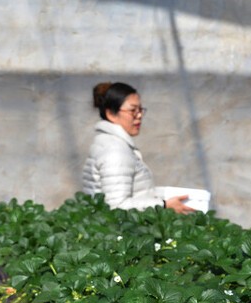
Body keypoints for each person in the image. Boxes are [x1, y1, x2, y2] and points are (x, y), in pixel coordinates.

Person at [81, 81, 195, 213]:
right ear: (111, 114)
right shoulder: (115, 151)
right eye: (132, 110)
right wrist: (163, 205)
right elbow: (116, 206)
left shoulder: (110, 143)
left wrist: (163, 197)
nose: (139, 115)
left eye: (140, 110)